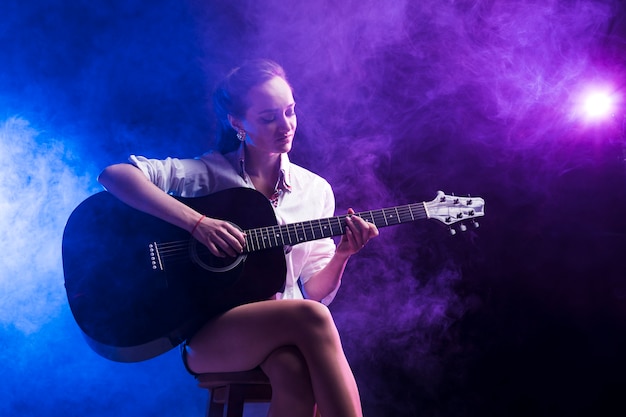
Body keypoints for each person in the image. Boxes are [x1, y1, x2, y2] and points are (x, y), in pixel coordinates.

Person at [98, 58, 378, 417]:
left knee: (295, 374)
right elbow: (114, 176)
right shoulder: (206, 175)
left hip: (287, 328)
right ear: (237, 123)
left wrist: (344, 255)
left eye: (290, 111)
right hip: (212, 334)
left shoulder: (315, 190)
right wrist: (197, 223)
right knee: (314, 318)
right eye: (268, 117)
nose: (285, 125)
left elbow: (315, 291)